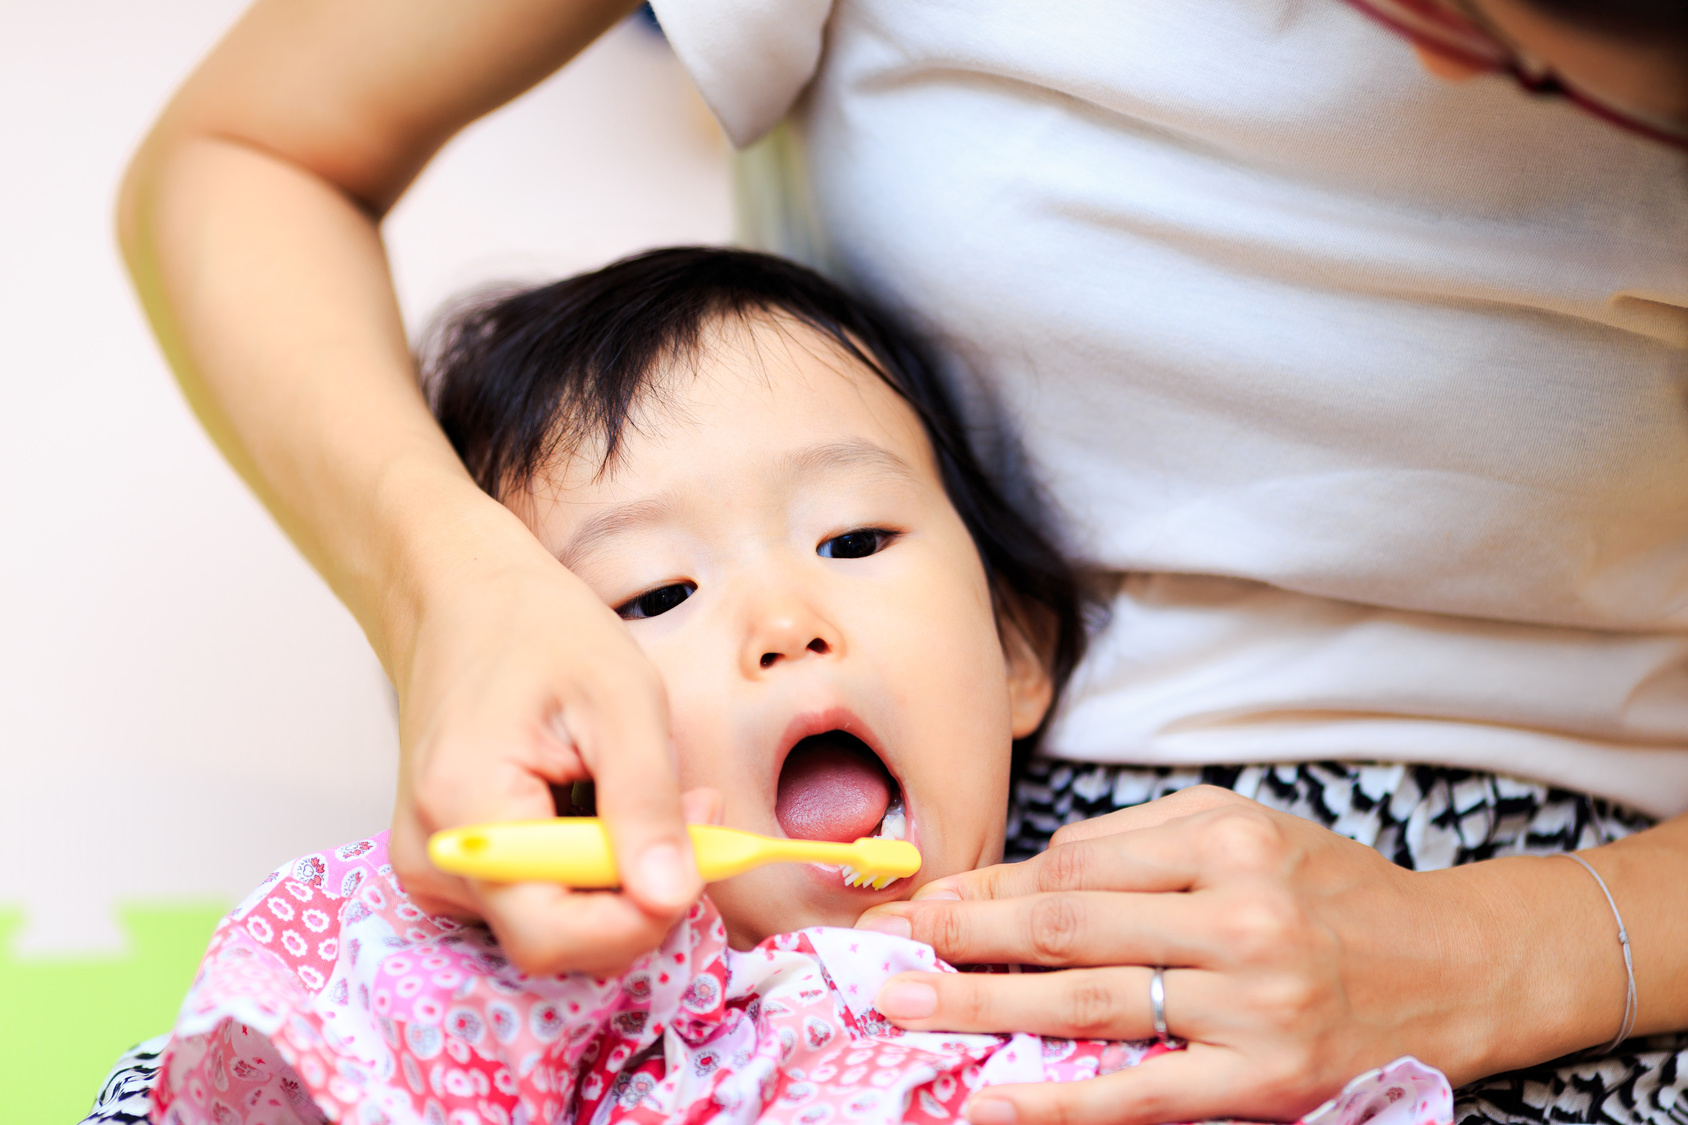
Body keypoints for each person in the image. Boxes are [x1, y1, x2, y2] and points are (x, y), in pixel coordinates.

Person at [114, 1, 1688, 1123]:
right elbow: (241, 154)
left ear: (1023, 647)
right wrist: (447, 582)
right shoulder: (486, 988)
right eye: (653, 596)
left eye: (856, 542)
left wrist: (1544, 947)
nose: (788, 622)